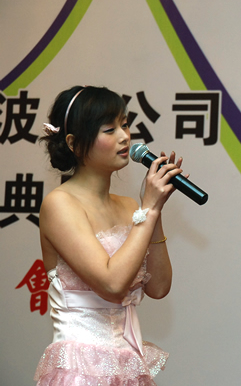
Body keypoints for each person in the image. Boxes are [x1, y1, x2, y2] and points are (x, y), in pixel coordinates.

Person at [34, 85, 183, 385]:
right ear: (74, 144)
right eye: (109, 129)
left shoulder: (130, 207)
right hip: (78, 369)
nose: (125, 136)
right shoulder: (60, 204)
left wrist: (154, 210)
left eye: (125, 125)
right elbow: (112, 284)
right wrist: (148, 209)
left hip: (128, 368)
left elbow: (159, 287)